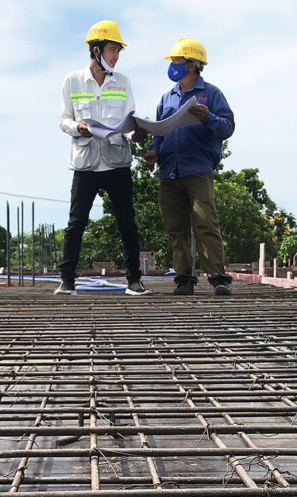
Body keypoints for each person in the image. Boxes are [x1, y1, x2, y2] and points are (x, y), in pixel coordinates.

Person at [57, 20, 151, 296]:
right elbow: (63, 120)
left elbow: (129, 120)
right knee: (76, 223)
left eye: (118, 51)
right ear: (95, 50)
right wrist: (78, 127)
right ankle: (67, 281)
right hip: (86, 162)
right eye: (112, 49)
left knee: (127, 223)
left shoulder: (123, 82)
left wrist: (137, 134)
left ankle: (134, 280)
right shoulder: (72, 80)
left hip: (116, 161)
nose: (116, 56)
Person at [143, 38, 235, 296]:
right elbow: (159, 133)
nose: (173, 64)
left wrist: (209, 118)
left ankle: (218, 278)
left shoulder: (211, 94)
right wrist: (153, 152)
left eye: (177, 60)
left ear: (192, 64)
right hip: (169, 171)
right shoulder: (166, 98)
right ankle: (184, 279)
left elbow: (228, 127)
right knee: (177, 228)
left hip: (197, 168)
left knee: (206, 223)